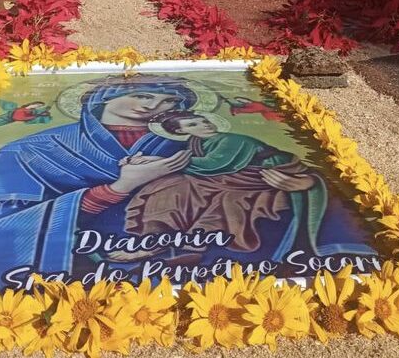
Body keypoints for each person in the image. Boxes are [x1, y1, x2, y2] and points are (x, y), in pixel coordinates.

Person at [0, 76, 197, 283]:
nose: (153, 106)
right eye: (142, 95)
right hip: (74, 261)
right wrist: (116, 189)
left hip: (169, 257)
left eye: (169, 102)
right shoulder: (27, 151)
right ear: (102, 99)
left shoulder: (190, 145)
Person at [121, 111, 375, 262]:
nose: (204, 125)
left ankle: (193, 246)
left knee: (226, 200)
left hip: (263, 173)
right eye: (193, 125)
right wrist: (154, 163)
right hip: (232, 174)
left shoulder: (233, 138)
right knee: (167, 188)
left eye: (202, 120)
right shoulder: (195, 143)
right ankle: (155, 240)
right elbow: (198, 165)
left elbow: (215, 164)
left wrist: (160, 162)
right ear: (179, 132)